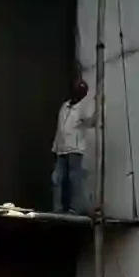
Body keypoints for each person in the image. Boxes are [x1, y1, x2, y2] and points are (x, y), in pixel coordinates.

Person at [51, 78, 95, 213]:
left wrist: (99, 107)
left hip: (75, 149)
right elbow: (60, 128)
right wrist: (55, 147)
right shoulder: (65, 106)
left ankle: (75, 208)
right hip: (61, 148)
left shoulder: (83, 108)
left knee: (74, 179)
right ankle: (57, 208)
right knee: (57, 178)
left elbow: (91, 122)